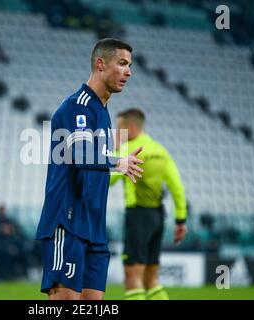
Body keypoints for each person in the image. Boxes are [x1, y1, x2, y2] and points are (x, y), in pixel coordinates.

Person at [35, 38, 144, 300]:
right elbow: (81, 154)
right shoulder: (78, 105)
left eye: (129, 65)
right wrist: (118, 161)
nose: (128, 71)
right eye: (122, 63)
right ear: (100, 64)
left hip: (94, 226)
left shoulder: (102, 112)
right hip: (68, 221)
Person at [110, 108, 187, 300]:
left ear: (132, 127)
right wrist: (181, 219)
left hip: (137, 217)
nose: (117, 133)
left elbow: (108, 180)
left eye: (119, 128)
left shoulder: (128, 150)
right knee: (151, 280)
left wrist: (112, 154)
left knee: (132, 278)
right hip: (158, 217)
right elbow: (176, 186)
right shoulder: (160, 150)